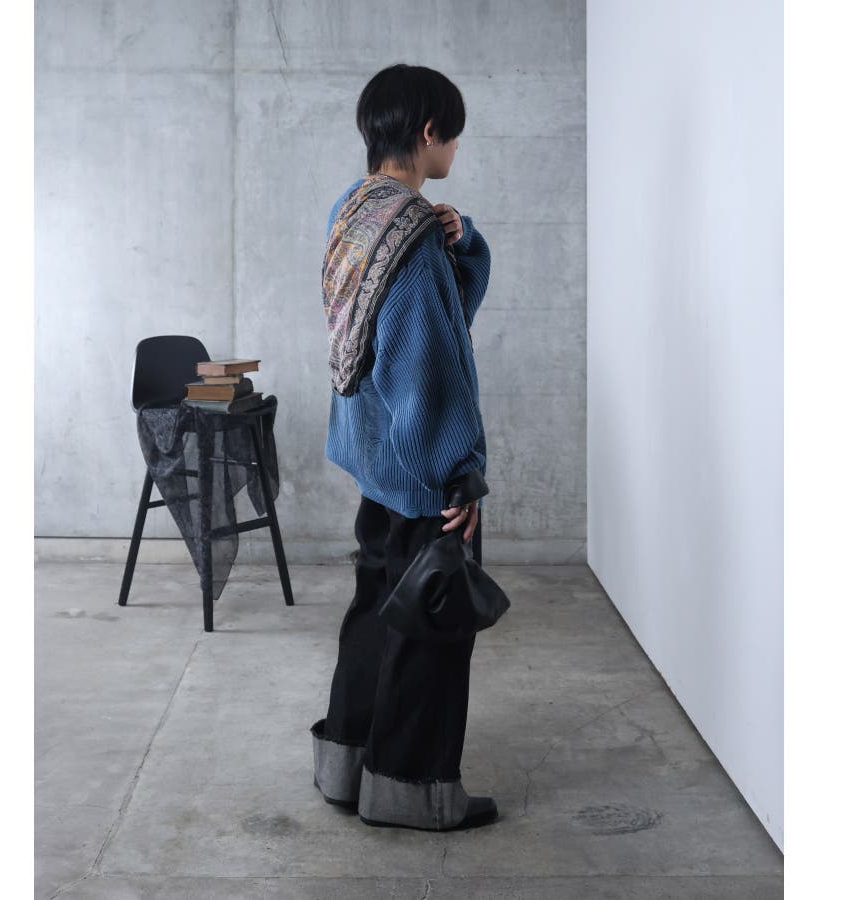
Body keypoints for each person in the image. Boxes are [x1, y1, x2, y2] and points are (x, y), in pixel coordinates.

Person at [311, 63, 496, 831]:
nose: (455, 146)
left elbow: (433, 316)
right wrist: (460, 474)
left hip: (373, 458)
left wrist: (464, 240)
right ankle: (411, 792)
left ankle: (345, 766)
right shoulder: (412, 238)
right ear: (428, 132)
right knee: (431, 634)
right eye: (452, 133)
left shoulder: (355, 208)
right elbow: (428, 364)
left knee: (373, 616)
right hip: (420, 472)